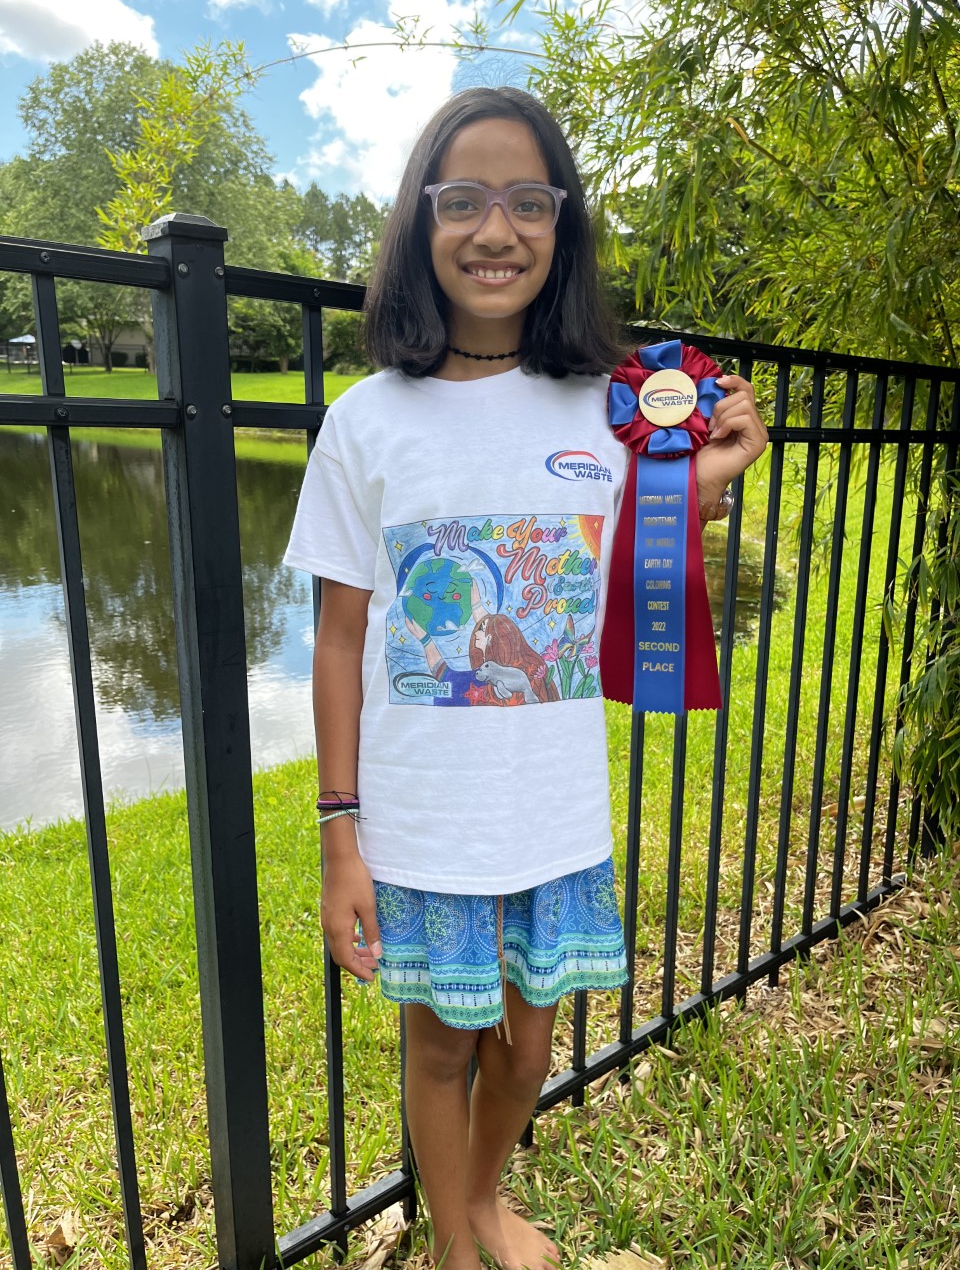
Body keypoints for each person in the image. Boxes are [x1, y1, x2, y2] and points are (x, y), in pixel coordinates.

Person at [284, 87, 768, 1270]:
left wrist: (706, 484)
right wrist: (341, 833)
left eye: (526, 201)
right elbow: (340, 639)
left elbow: (612, 593)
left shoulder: (610, 412)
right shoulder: (364, 422)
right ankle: (457, 1242)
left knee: (528, 1048)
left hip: (554, 814)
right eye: (462, 200)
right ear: (420, 221)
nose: (494, 230)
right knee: (441, 1045)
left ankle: (484, 1196)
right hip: (421, 824)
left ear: (561, 227)